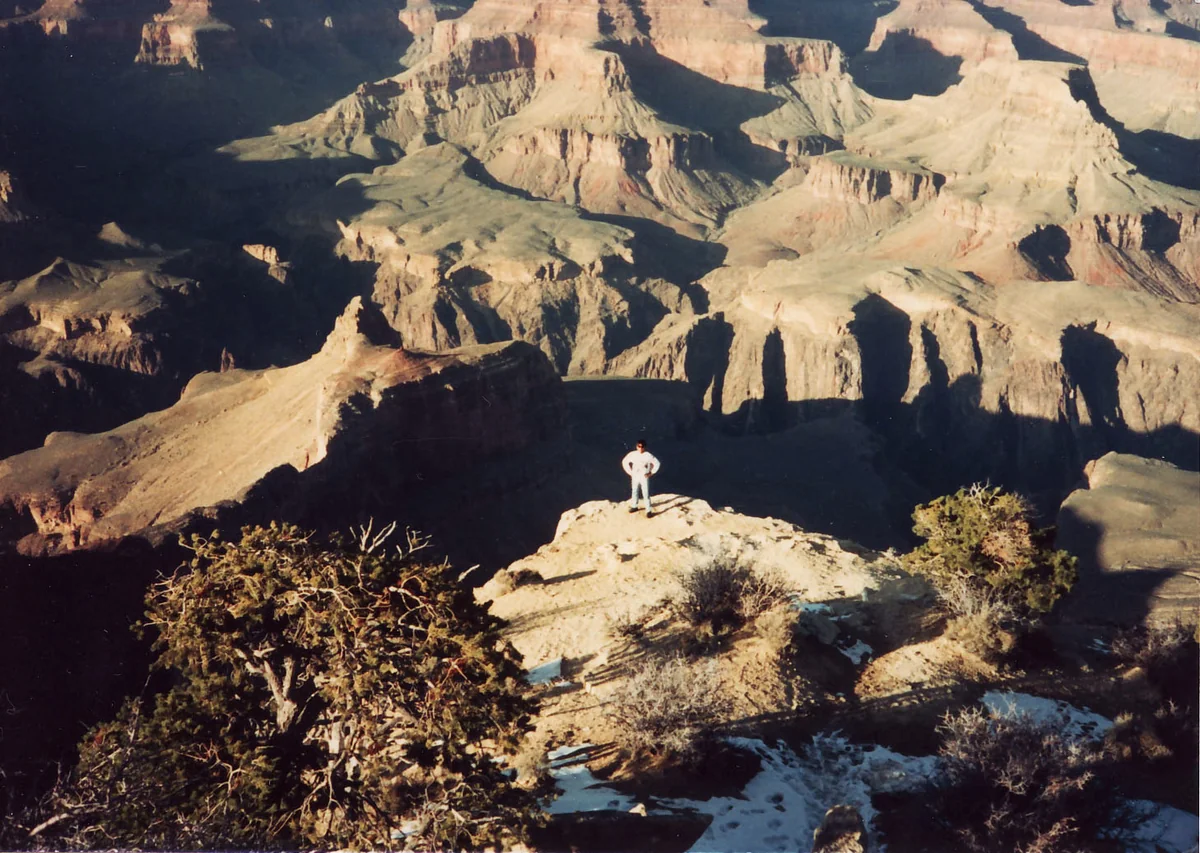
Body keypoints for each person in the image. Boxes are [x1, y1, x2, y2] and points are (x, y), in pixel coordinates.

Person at [622, 439, 661, 517]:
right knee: (634, 491)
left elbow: (657, 463)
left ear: (644, 447)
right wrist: (630, 472)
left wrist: (651, 472)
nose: (640, 448)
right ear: (637, 446)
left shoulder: (648, 455)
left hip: (644, 476)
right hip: (635, 475)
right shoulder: (632, 454)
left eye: (642, 446)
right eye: (639, 446)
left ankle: (648, 510)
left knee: (645, 493)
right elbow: (625, 462)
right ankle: (634, 506)